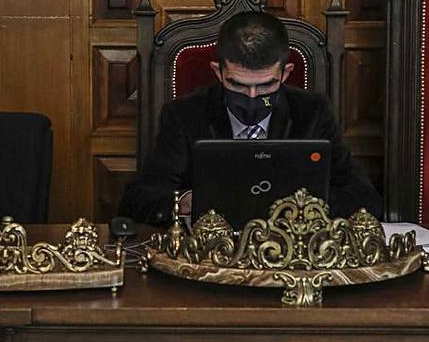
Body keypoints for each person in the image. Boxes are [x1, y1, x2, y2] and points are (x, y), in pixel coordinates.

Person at [119, 12, 382, 225]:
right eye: (238, 86)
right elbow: (138, 199)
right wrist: (185, 202)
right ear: (218, 72)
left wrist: (297, 204)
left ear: (285, 73)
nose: (253, 97)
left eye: (266, 86)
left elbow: (364, 198)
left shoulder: (312, 112)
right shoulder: (184, 114)